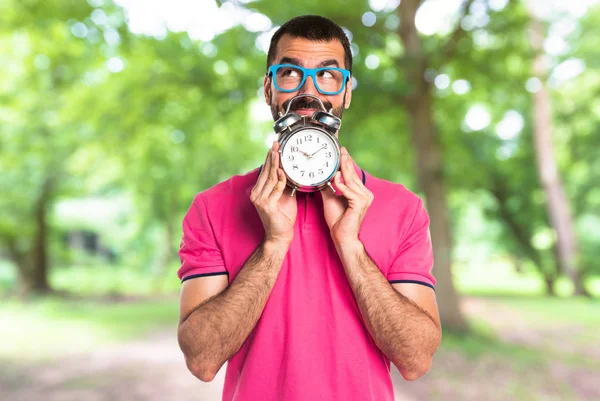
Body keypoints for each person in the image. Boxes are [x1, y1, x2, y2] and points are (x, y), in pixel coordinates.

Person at [176, 15, 441, 401]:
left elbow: (416, 360)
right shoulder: (212, 207)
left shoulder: (404, 209)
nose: (309, 91)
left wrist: (350, 245)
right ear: (269, 88)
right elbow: (201, 360)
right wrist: (272, 246)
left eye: (328, 76)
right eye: (290, 74)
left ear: (346, 92)